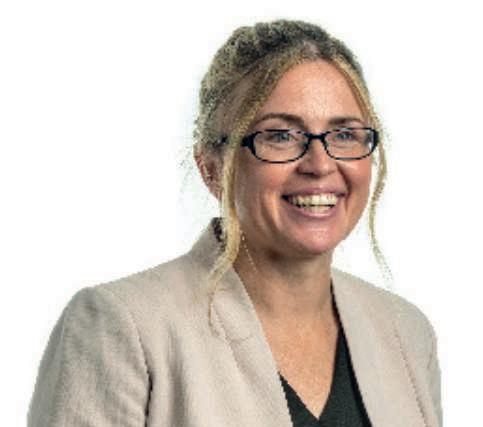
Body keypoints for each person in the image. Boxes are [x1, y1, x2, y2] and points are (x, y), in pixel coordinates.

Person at [27, 19, 443, 427]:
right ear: (211, 168)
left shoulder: (405, 333)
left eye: (345, 135)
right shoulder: (123, 327)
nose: (320, 164)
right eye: (280, 136)